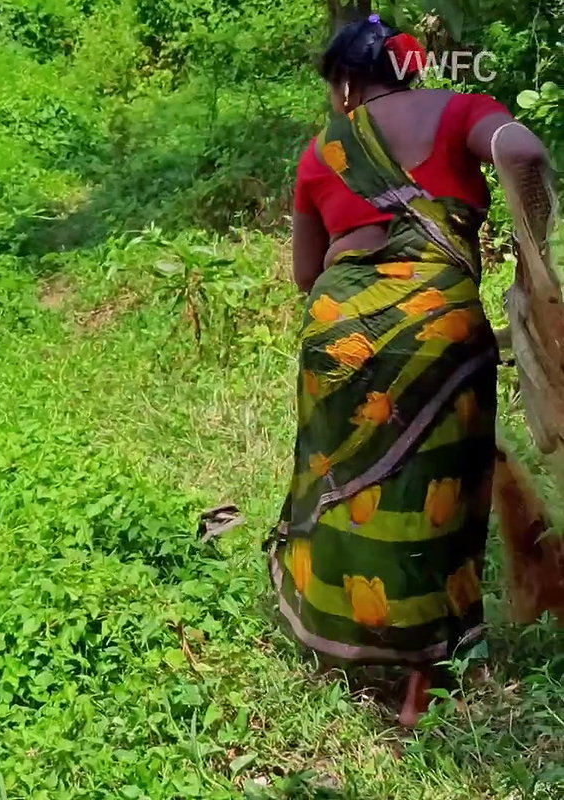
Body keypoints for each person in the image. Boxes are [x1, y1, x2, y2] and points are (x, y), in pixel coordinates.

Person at [267, 14, 553, 727]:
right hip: (438, 332)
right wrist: (536, 254)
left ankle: (338, 639)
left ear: (345, 83)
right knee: (440, 498)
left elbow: (307, 272)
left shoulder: (321, 151)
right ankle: (426, 681)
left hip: (338, 335)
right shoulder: (460, 111)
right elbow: (521, 152)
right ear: (408, 68)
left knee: (334, 481)